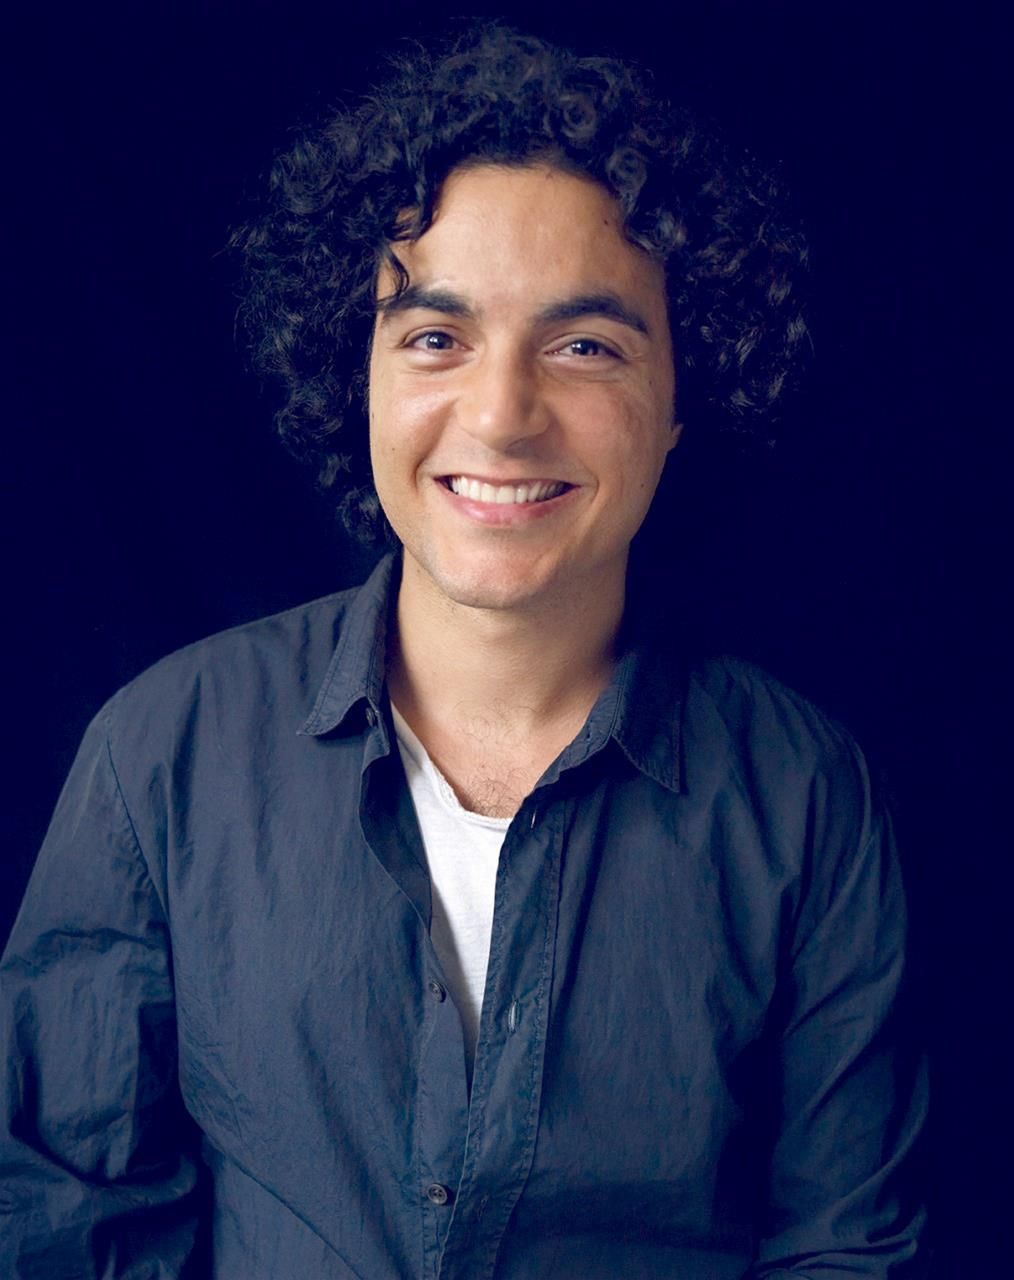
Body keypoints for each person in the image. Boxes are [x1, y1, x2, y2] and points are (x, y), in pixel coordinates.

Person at [0, 25, 927, 1279]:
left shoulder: (807, 794)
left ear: (683, 396)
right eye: (436, 338)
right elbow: (64, 1219)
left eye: (584, 344)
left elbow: (845, 1250)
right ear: (361, 376)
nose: (499, 415)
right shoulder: (161, 751)